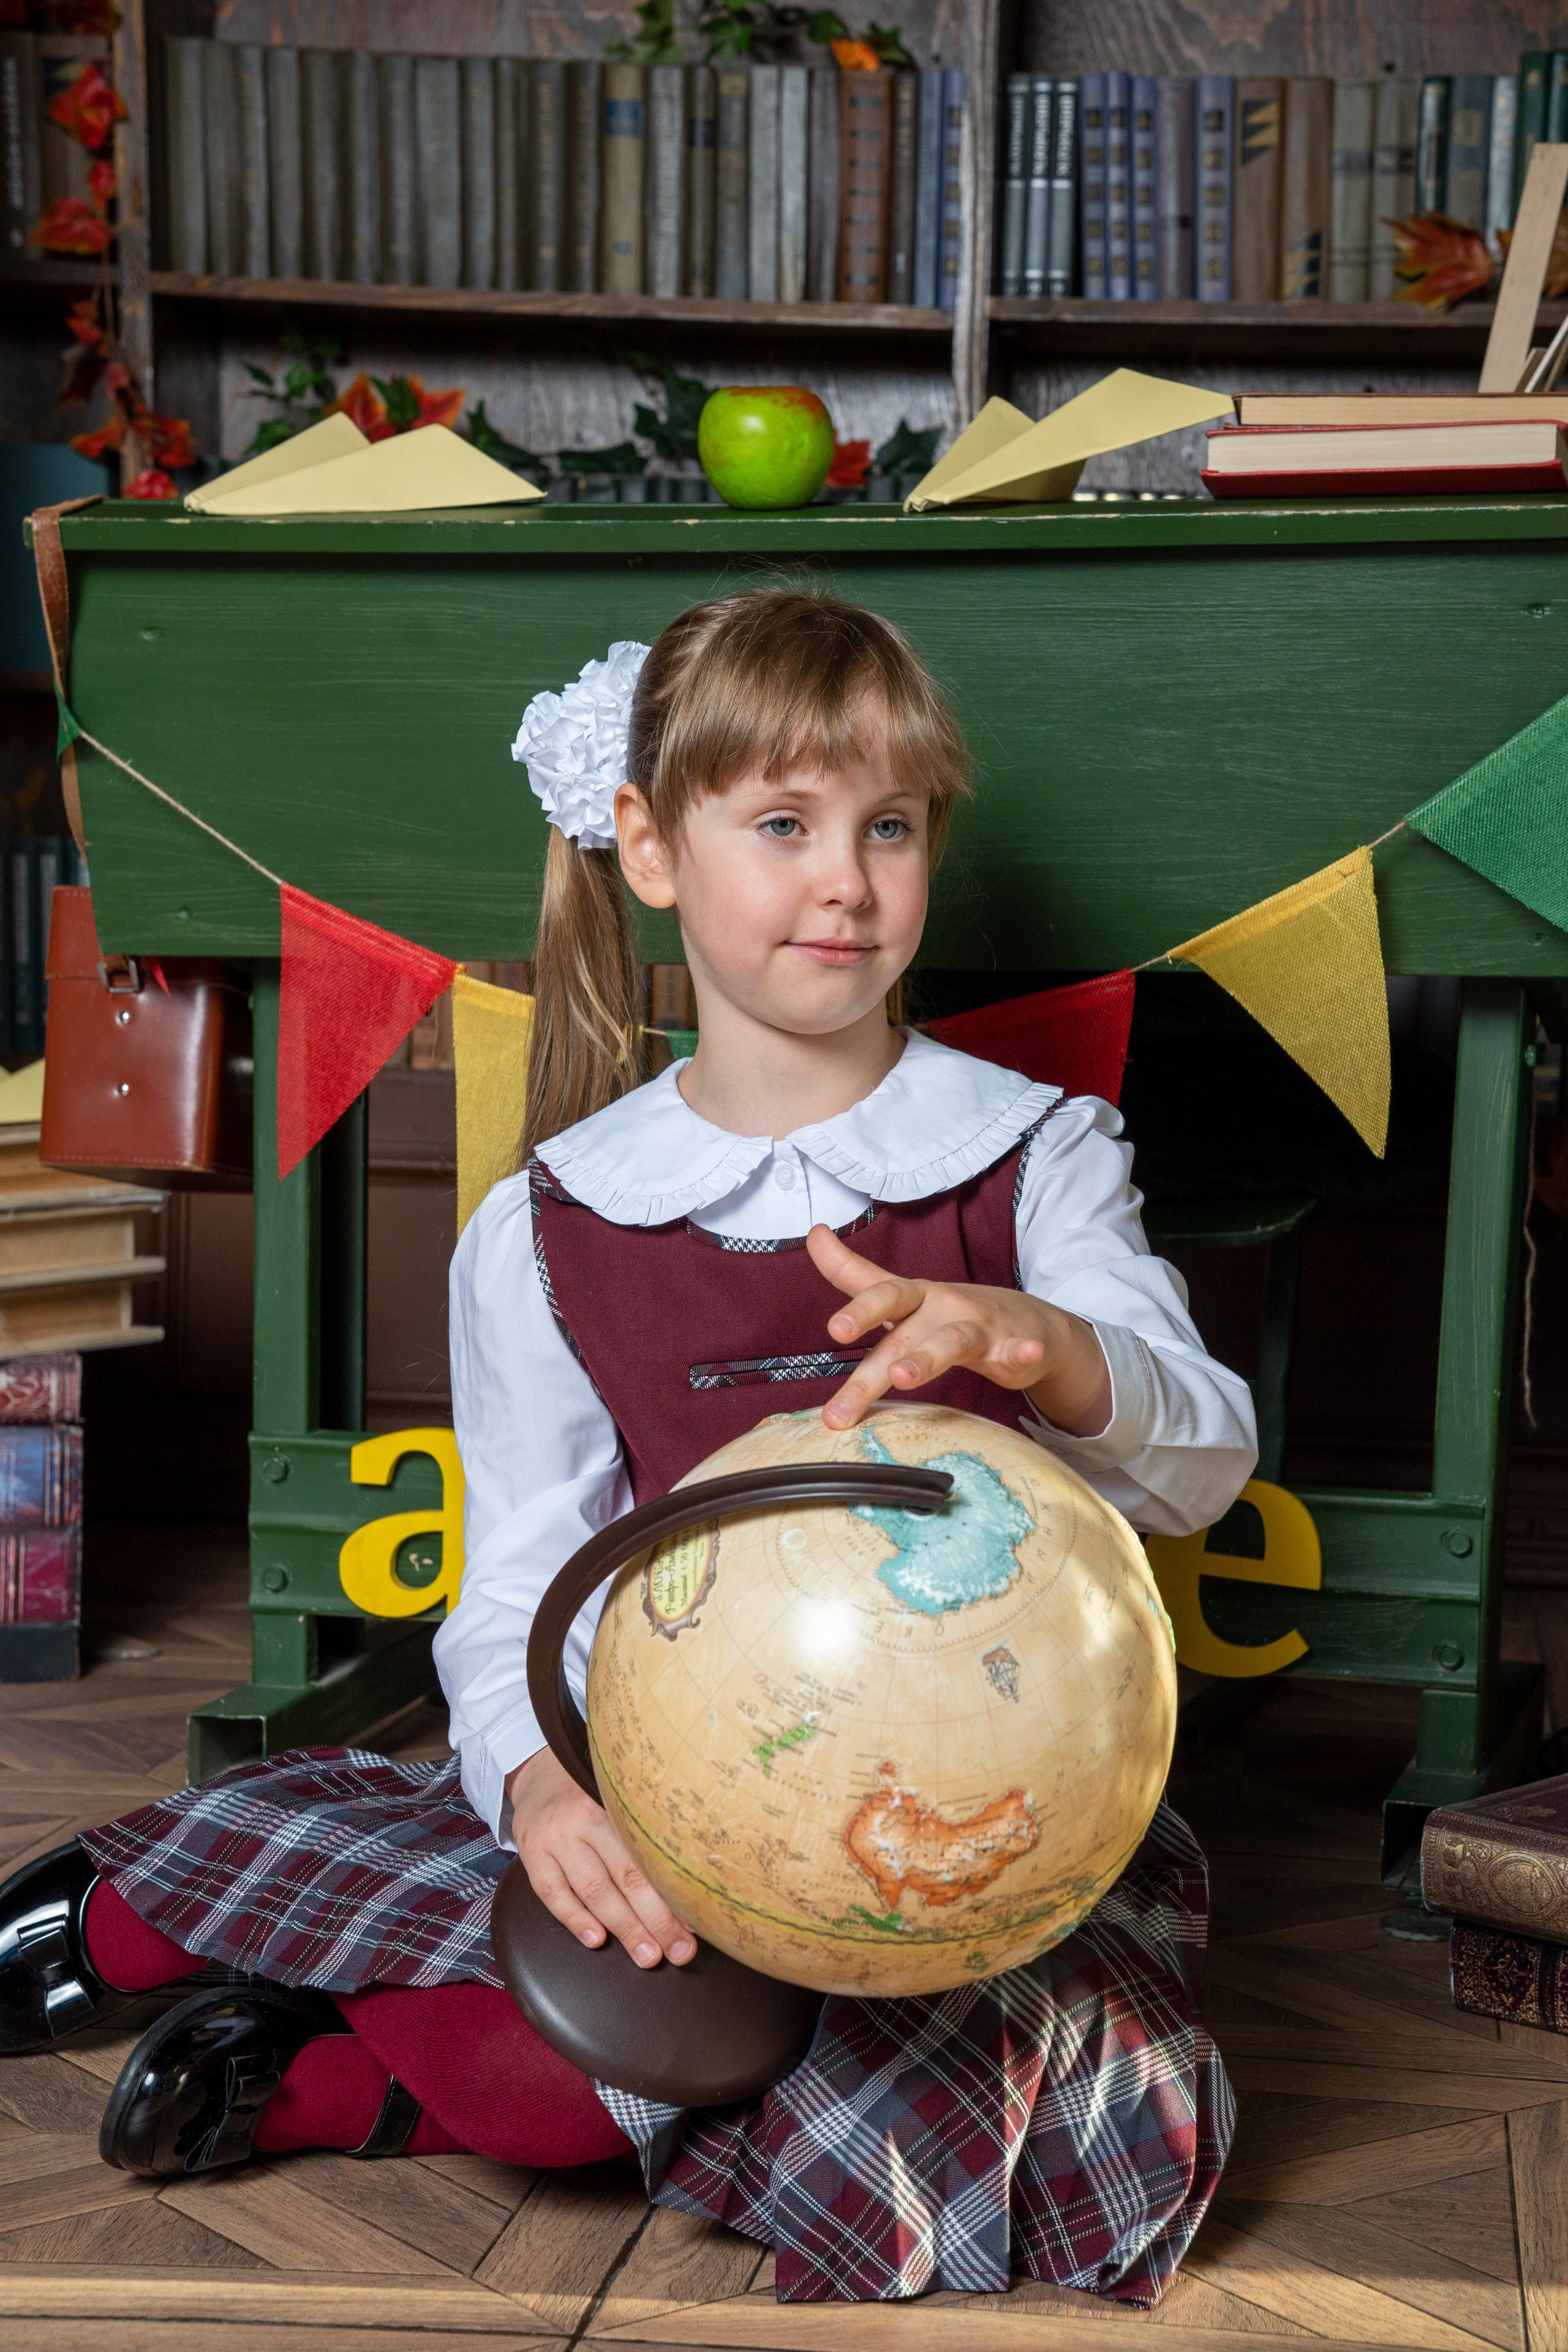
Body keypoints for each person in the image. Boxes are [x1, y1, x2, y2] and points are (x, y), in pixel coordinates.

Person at [0, 589, 1254, 2303]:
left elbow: (1206, 1464)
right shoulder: (547, 1226)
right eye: (785, 825)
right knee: (601, 1976)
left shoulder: (1041, 1162)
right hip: (679, 1784)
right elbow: (521, 1564)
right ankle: (111, 1922)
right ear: (651, 849)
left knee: (882, 2123)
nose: (847, 880)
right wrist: (537, 1782)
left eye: (891, 826)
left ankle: (308, 2071)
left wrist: (1051, 1349)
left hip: (978, 1833)